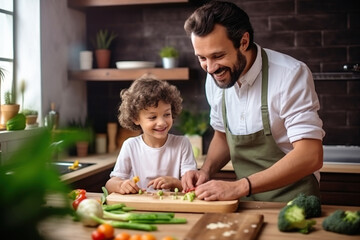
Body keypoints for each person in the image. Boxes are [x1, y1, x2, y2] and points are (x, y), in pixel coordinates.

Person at [181, 1, 325, 202]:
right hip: (247, 204)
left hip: (296, 203)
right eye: (202, 58)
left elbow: (310, 155)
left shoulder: (290, 74)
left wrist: (241, 186)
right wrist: (205, 171)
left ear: (244, 41)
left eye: (218, 55)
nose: (211, 68)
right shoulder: (215, 77)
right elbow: (222, 136)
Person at [105, 75, 197, 194]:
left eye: (167, 114)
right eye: (153, 117)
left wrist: (174, 182)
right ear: (136, 118)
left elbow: (192, 186)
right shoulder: (131, 146)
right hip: (140, 208)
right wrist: (121, 185)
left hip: (173, 208)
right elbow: (110, 184)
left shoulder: (182, 144)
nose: (161, 122)